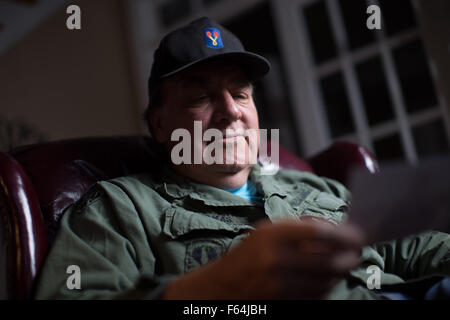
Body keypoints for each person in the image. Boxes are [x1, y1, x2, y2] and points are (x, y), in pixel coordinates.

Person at [33, 17, 450, 300]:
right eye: (200, 96)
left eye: (241, 92)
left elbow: (416, 250)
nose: (230, 110)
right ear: (159, 125)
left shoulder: (320, 189)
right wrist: (216, 287)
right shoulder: (119, 209)